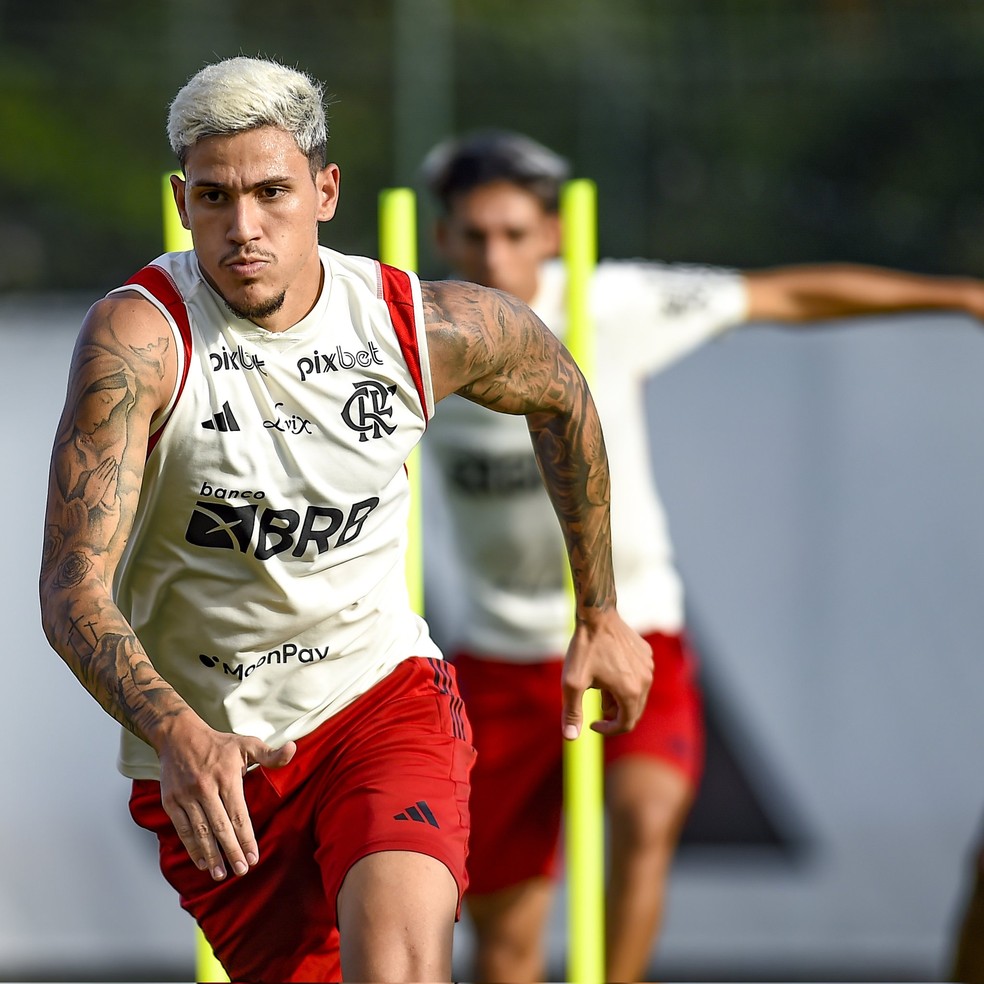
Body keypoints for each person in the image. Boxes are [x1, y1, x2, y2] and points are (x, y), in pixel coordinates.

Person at [37, 60, 653, 984]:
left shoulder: (415, 327)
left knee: (399, 964)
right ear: (181, 200)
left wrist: (599, 610)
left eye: (271, 193)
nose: (244, 230)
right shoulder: (139, 341)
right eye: (214, 197)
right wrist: (175, 732)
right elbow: (70, 590)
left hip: (380, 701)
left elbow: (562, 393)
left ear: (324, 191)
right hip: (216, 761)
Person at [419, 128, 984, 984]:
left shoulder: (614, 305)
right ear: (442, 241)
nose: (495, 255)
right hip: (500, 659)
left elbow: (784, 296)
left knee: (647, 818)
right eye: (474, 236)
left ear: (554, 234)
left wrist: (960, 296)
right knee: (504, 944)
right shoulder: (407, 337)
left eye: (514, 233)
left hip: (633, 628)